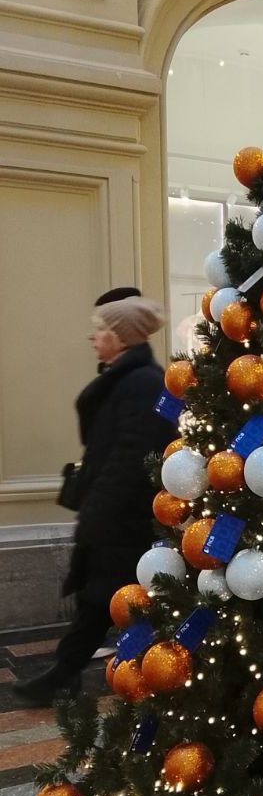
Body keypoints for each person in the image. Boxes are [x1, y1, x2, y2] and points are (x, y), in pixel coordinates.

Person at [14, 292, 173, 705]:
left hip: (123, 517)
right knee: (102, 601)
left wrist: (100, 507)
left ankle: (76, 676)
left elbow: (131, 457)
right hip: (114, 513)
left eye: (100, 329)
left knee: (105, 600)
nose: (93, 336)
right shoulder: (125, 378)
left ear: (121, 337)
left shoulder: (142, 383)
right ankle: (69, 675)